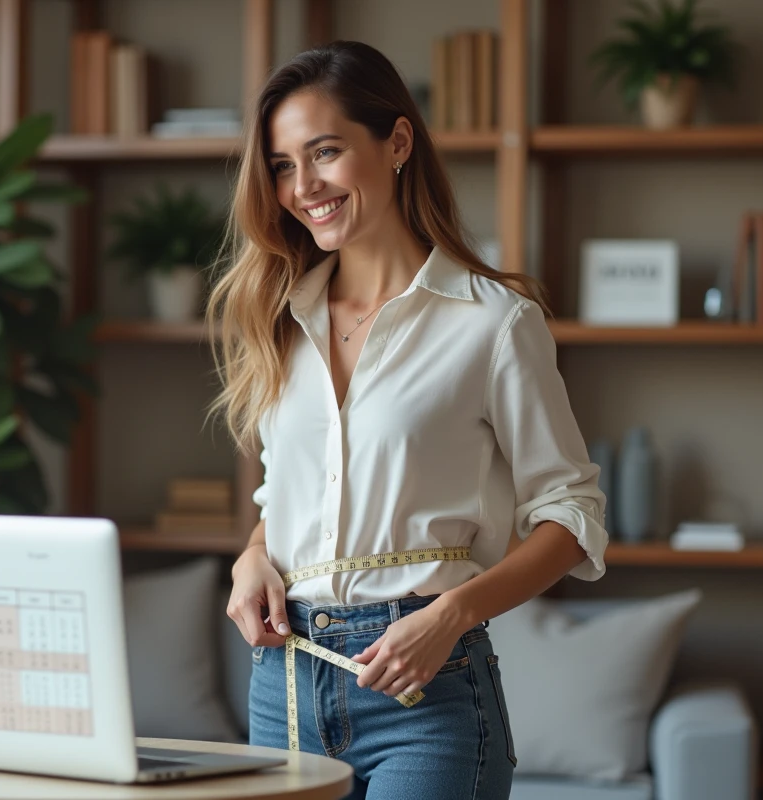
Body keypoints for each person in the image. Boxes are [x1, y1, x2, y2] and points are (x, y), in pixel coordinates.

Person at [205, 40, 609, 800]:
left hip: (425, 696)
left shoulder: (493, 324)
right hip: (282, 690)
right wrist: (252, 558)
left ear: (396, 141)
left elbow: (572, 516)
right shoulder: (278, 320)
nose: (304, 186)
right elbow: (291, 499)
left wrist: (451, 614)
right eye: (284, 166)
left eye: (325, 152)